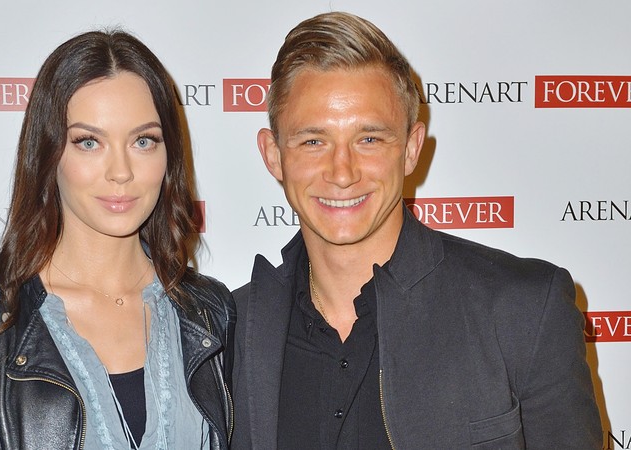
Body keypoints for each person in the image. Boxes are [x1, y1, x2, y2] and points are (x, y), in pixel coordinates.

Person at [231, 11, 601, 449]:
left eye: (369, 139)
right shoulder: (229, 330)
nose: (342, 172)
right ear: (273, 154)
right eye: (314, 141)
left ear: (410, 149)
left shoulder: (523, 311)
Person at [0, 30, 234, 450]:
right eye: (89, 142)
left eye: (143, 141)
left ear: (168, 154)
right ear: (49, 154)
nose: (121, 171)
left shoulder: (208, 311)